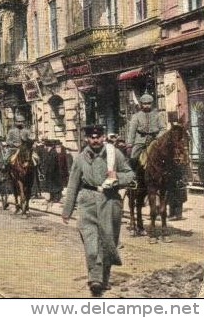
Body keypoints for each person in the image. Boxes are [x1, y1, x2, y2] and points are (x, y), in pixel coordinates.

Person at [62, 124, 134, 297]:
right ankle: (95, 279)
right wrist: (67, 210)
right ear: (87, 139)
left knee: (108, 241)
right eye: (92, 137)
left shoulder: (113, 154)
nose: (95, 140)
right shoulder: (80, 159)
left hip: (110, 201)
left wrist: (116, 178)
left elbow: (130, 174)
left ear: (103, 137)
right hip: (87, 201)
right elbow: (72, 184)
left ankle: (105, 277)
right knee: (91, 243)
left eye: (98, 136)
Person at [126, 93, 165, 170]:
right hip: (140, 141)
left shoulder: (157, 115)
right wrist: (130, 144)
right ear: (141, 104)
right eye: (145, 104)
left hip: (154, 140)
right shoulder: (136, 116)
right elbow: (132, 131)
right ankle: (134, 175)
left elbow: (163, 128)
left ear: (152, 104)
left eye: (149, 103)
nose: (147, 106)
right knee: (134, 157)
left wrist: (158, 137)